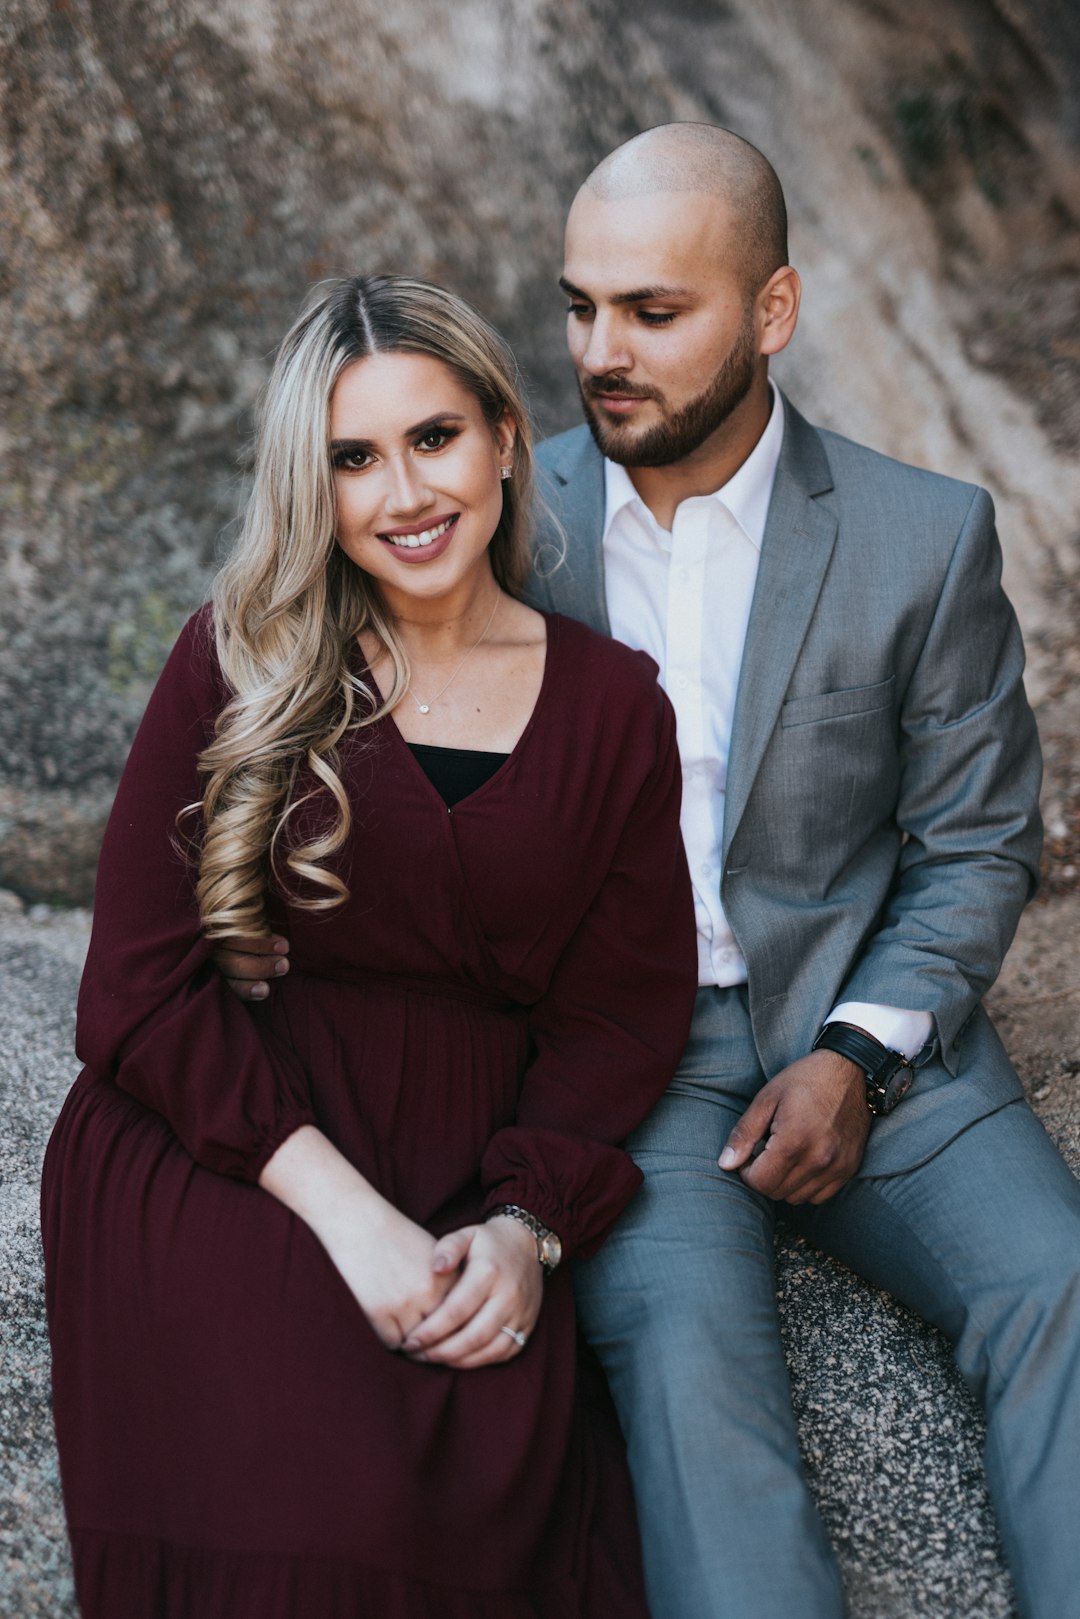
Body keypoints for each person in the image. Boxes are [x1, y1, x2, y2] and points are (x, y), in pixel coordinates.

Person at [218, 125, 1080, 1619]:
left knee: (1062, 1295)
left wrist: (860, 1061)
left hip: (876, 1038)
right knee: (691, 1384)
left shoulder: (923, 538)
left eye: (654, 313)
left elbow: (977, 841)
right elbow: (305, 697)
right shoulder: (486, 519)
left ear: (773, 312)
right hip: (623, 1068)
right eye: (579, 307)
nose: (600, 352)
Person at [40, 273, 699, 1618]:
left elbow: (619, 1017)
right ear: (314, 486)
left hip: (469, 1158)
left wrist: (525, 1229)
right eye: (353, 458)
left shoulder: (613, 707)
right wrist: (354, 1223)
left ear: (509, 442)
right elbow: (134, 992)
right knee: (321, 1510)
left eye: (434, 438)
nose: (403, 494)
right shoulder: (239, 662)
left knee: (491, 1505)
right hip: (235, 1148)